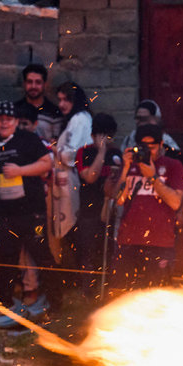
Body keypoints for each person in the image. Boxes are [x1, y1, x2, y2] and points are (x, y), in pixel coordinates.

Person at [0, 100, 58, 314]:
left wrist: (20, 170)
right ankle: (5, 302)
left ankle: (56, 302)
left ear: (16, 121)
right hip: (5, 213)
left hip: (32, 212)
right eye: (0, 119)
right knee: (6, 257)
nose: (4, 123)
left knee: (42, 254)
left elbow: (47, 163)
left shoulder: (28, 140)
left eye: (8, 119)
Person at [112, 124, 183, 289]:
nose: (148, 151)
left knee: (155, 294)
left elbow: (175, 202)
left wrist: (153, 177)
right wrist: (125, 169)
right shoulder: (131, 165)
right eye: (143, 147)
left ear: (160, 145)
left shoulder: (173, 165)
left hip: (159, 242)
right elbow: (117, 200)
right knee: (122, 292)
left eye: (152, 147)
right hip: (129, 239)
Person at [73, 111, 120, 293]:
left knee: (108, 251)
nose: (106, 141)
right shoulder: (84, 152)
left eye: (109, 137)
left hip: (109, 210)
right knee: (88, 252)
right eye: (103, 136)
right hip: (89, 210)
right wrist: (101, 152)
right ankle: (87, 291)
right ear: (93, 135)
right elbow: (90, 177)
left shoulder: (116, 153)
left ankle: (107, 288)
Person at [52, 81, 91, 243]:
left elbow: (71, 154)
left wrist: (54, 149)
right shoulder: (74, 119)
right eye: (59, 100)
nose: (61, 104)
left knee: (74, 232)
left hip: (76, 181)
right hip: (68, 181)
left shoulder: (80, 119)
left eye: (66, 100)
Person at [13, 63, 61, 143]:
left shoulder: (54, 113)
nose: (33, 86)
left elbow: (56, 143)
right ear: (24, 84)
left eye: (38, 82)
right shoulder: (14, 108)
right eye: (29, 82)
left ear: (45, 85)